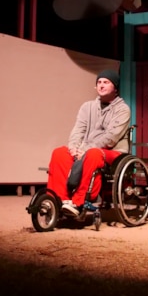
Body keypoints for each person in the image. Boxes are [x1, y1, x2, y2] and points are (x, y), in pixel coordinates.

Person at [46, 69, 131, 217]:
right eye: (99, 82)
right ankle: (59, 199)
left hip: (114, 152)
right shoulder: (87, 107)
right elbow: (78, 130)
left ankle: (79, 201)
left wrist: (85, 149)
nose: (101, 85)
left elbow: (110, 138)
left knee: (93, 154)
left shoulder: (123, 109)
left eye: (106, 82)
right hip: (86, 149)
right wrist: (73, 148)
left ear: (115, 88)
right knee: (59, 152)